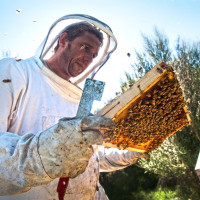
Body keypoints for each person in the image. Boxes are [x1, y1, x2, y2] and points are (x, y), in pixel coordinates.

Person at [0, 14, 149, 200]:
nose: (88, 58)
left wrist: (131, 151)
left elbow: (91, 158)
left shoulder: (80, 100)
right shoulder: (15, 72)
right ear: (63, 40)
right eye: (85, 47)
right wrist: (47, 154)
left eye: (93, 55)